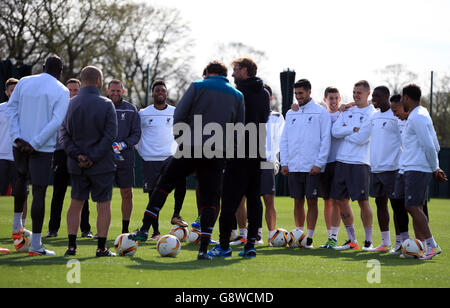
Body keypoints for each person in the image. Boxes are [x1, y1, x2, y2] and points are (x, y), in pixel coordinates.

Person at [129, 60, 245, 261]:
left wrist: (181, 139)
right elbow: (240, 130)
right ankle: (203, 250)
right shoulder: (237, 95)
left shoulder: (198, 85)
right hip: (217, 152)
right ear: (225, 74)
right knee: (210, 200)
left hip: (190, 147)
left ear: (207, 72)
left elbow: (179, 114)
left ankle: (145, 229)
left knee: (164, 185)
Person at [6, 55, 70, 256]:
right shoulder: (62, 90)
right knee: (39, 192)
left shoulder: (24, 81)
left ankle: (18, 230)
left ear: (43, 67)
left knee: (20, 181)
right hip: (40, 148)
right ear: (61, 71)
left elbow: (11, 109)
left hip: (20, 143)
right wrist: (35, 143)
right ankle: (35, 245)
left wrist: (17, 137)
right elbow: (56, 121)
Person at [208, 57, 270, 258]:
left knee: (228, 201)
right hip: (257, 151)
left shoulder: (236, 92)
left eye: (235, 69)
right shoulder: (264, 93)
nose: (232, 73)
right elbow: (265, 118)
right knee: (254, 200)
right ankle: (250, 244)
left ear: (244, 70)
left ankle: (224, 246)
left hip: (237, 152)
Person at [62, 66, 118, 257]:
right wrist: (93, 156)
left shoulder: (69, 104)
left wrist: (78, 155)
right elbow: (110, 135)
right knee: (103, 204)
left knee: (75, 202)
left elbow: (64, 135)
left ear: (82, 80)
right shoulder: (107, 104)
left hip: (76, 164)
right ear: (99, 81)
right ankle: (101, 247)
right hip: (101, 164)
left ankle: (71, 246)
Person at [230, 84, 285, 246]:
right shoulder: (244, 114)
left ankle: (270, 236)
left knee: (268, 199)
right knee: (240, 199)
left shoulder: (276, 117)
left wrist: (273, 159)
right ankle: (243, 235)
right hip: (244, 161)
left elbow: (280, 141)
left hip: (265, 162)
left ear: (270, 98)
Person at [279, 79, 331, 249]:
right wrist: (284, 162)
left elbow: (326, 140)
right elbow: (284, 139)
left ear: (309, 92)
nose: (298, 97)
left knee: (312, 201)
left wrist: (319, 163)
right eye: (296, 94)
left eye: (301, 93)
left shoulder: (321, 113)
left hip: (312, 167)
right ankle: (298, 235)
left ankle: (309, 238)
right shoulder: (291, 113)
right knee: (297, 201)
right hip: (294, 166)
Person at [399, 84, 447, 259]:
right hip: (417, 167)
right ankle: (421, 247)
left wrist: (434, 167)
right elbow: (435, 143)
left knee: (411, 206)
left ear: (406, 98)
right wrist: (434, 166)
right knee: (415, 207)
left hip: (417, 168)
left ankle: (432, 246)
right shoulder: (423, 113)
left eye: (402, 98)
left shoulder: (417, 117)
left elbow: (429, 144)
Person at [136, 79, 187, 241]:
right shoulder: (143, 113)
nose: (160, 93)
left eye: (163, 91)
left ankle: (176, 214)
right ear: (152, 93)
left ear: (166, 93)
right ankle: (155, 232)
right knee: (153, 196)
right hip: (150, 159)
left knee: (181, 184)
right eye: (157, 90)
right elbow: (137, 135)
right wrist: (142, 151)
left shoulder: (175, 111)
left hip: (171, 157)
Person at [330, 80, 376, 251]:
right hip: (342, 160)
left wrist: (346, 132)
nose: (356, 95)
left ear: (368, 93)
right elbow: (335, 132)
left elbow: (362, 137)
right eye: (354, 92)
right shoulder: (348, 110)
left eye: (360, 93)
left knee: (363, 202)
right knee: (341, 200)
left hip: (360, 162)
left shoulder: (372, 113)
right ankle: (352, 240)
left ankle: (368, 242)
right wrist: (351, 129)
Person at [46, 78, 92, 238]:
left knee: (82, 192)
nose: (73, 93)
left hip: (81, 154)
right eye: (70, 90)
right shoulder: (58, 108)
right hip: (61, 153)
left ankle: (86, 230)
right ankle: (53, 230)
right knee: (58, 192)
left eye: (76, 90)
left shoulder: (85, 107)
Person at [368, 86, 405, 252]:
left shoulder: (396, 116)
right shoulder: (374, 117)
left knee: (396, 205)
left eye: (377, 96)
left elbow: (404, 141)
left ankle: (400, 242)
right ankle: (385, 242)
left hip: (392, 168)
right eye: (373, 96)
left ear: (387, 97)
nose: (374, 99)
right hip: (375, 168)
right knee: (379, 203)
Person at [107, 79, 141, 234]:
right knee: (104, 195)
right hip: (104, 158)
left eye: (118, 90)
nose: (115, 93)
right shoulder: (101, 106)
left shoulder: (131, 109)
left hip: (125, 158)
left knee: (127, 193)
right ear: (108, 91)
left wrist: (123, 144)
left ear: (123, 91)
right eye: (112, 90)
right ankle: (103, 230)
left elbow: (136, 134)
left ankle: (125, 230)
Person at [317, 87, 344, 249]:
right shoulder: (320, 115)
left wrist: (350, 104)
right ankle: (329, 237)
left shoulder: (345, 113)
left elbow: (367, 104)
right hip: (323, 163)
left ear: (340, 99)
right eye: (330, 98)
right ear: (324, 100)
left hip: (340, 162)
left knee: (338, 201)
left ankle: (334, 237)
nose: (333, 101)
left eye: (336, 98)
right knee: (327, 201)